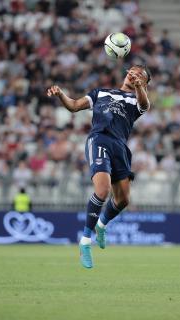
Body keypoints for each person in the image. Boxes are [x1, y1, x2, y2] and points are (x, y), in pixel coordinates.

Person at [47, 65, 151, 268]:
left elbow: (144, 104)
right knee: (102, 190)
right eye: (133, 71)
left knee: (123, 200)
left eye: (140, 75)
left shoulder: (138, 99)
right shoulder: (101, 92)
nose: (135, 75)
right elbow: (75, 105)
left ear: (145, 83)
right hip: (99, 139)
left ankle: (102, 225)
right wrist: (60, 94)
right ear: (126, 72)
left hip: (120, 146)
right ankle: (85, 241)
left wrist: (140, 88)